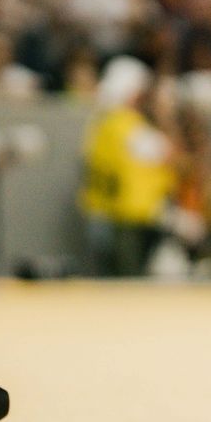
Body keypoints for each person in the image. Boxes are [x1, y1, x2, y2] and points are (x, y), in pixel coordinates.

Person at [80, 56, 176, 276]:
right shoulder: (125, 125)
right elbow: (169, 153)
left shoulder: (102, 123)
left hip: (106, 213)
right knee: (128, 285)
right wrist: (165, 114)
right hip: (127, 219)